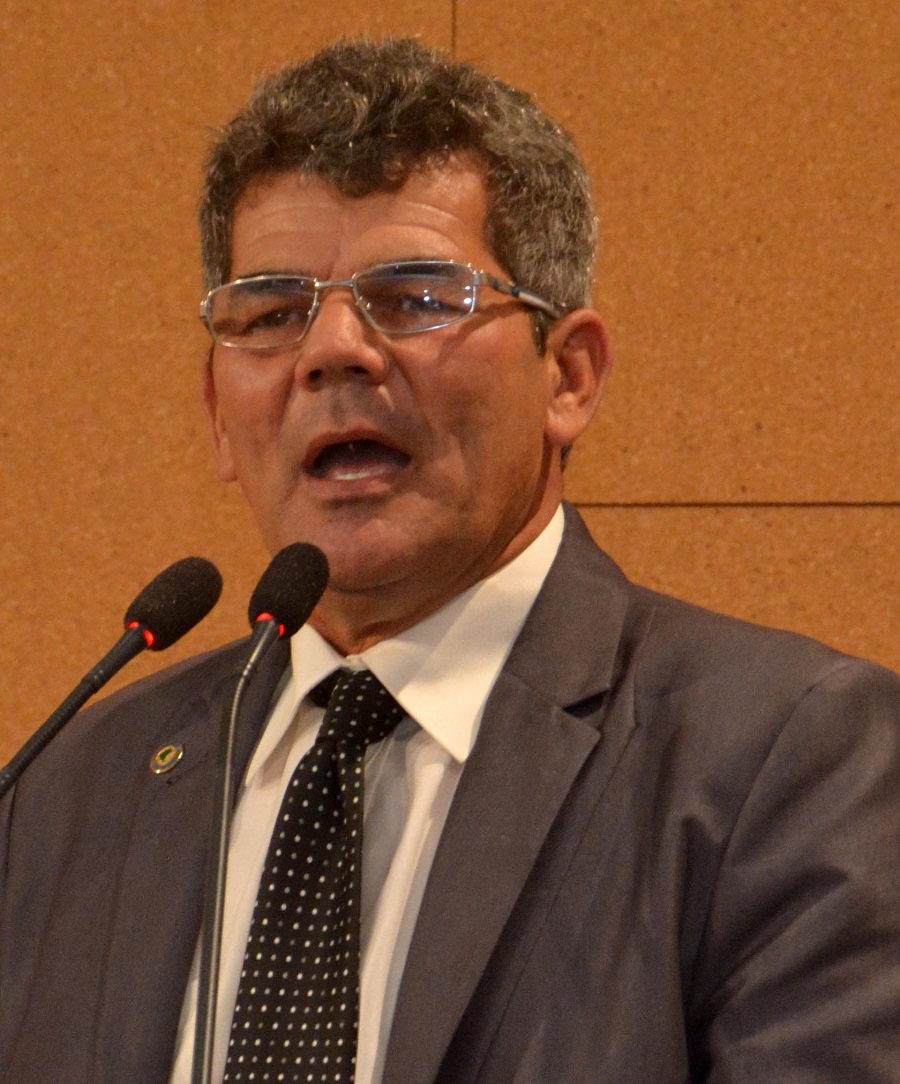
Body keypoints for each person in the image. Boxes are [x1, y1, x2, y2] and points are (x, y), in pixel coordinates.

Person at [2, 36, 899, 1084]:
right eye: (274, 313)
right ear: (216, 412)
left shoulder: (787, 763)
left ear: (568, 376)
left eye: (417, 297)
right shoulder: (71, 794)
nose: (332, 351)